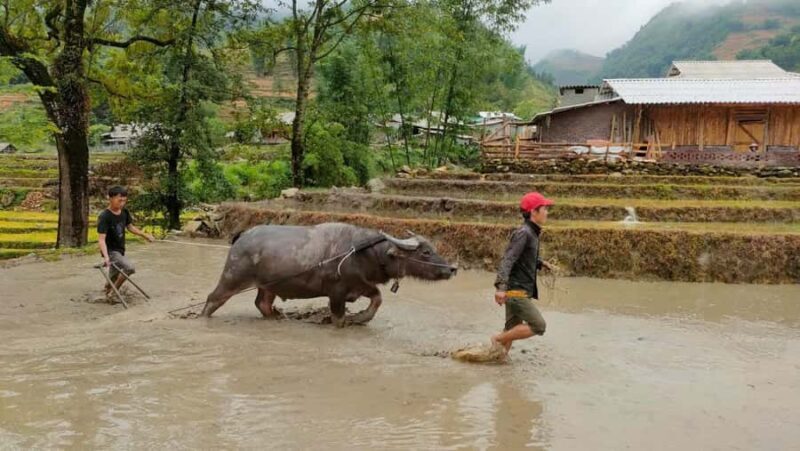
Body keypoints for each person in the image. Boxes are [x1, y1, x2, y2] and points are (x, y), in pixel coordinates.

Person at [491, 192, 554, 357]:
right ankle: (497, 339)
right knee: (538, 326)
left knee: (511, 329)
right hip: (516, 291)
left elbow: (524, 256)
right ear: (534, 211)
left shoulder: (532, 233)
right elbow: (508, 260)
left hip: (520, 289)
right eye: (545, 209)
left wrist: (540, 263)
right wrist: (501, 287)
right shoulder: (524, 233)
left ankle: (495, 360)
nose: (547, 212)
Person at [97, 186, 154, 298]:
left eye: (124, 200)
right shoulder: (104, 216)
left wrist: (145, 235)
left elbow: (130, 227)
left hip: (120, 249)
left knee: (113, 279)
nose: (122, 203)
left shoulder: (124, 212)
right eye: (119, 200)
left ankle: (108, 289)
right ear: (111, 198)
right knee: (129, 268)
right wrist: (106, 257)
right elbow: (101, 239)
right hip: (111, 251)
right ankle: (113, 294)